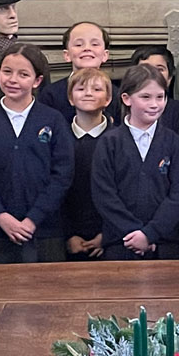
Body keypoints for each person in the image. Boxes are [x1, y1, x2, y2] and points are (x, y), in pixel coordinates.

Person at [0, 44, 74, 263]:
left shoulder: (53, 120)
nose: (13, 79)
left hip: (45, 232)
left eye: (23, 74)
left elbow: (62, 175)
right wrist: (1, 216)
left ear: (37, 81)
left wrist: (33, 219)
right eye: (7, 72)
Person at [91, 65, 179, 260]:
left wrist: (150, 234)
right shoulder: (109, 143)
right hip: (120, 243)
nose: (154, 104)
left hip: (166, 245)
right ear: (126, 98)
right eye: (145, 97)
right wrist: (134, 233)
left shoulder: (175, 143)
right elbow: (104, 194)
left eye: (160, 97)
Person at [63, 67, 112, 261]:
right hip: (67, 236)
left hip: (109, 236)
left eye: (97, 89)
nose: (89, 93)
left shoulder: (119, 140)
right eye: (81, 89)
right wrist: (68, 235)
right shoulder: (59, 138)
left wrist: (107, 235)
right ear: (70, 98)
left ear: (108, 99)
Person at [38, 21, 118, 122]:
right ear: (67, 55)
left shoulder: (116, 94)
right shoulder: (50, 94)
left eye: (94, 44)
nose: (87, 48)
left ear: (105, 55)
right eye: (79, 44)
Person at [131, 44, 179, 136]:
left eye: (160, 69)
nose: (153, 74)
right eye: (145, 69)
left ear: (170, 78)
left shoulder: (178, 110)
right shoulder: (126, 104)